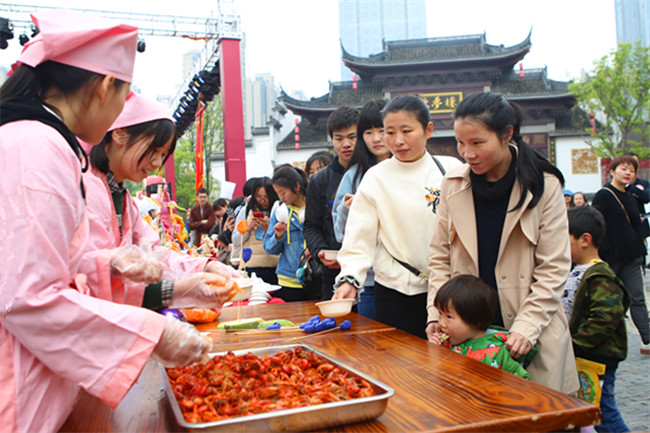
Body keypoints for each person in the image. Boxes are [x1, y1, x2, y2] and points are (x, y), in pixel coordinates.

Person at [0, 10, 211, 432]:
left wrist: (105, 265)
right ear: (103, 87)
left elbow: (32, 268)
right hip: (19, 393)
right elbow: (25, 297)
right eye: (123, 94)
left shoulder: (45, 143)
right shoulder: (34, 146)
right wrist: (152, 335)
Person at [425, 92, 578, 393]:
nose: (467, 153)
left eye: (477, 143)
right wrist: (436, 314)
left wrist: (527, 326)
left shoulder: (544, 185)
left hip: (526, 332)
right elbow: (440, 258)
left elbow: (554, 268)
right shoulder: (454, 185)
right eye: (460, 143)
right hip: (467, 332)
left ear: (507, 135)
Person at [80, 91, 238, 309]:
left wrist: (204, 267)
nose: (156, 162)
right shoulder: (85, 187)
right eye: (154, 150)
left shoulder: (123, 198)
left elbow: (155, 253)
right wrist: (177, 291)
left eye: (163, 155)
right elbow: (91, 274)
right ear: (119, 135)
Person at [332, 94, 461, 338]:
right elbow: (359, 237)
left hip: (447, 290)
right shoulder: (376, 177)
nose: (398, 141)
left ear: (428, 130)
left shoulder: (451, 170)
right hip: (394, 290)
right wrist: (349, 279)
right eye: (389, 132)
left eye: (406, 130)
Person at [565, 206, 631, 432]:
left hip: (596, 360)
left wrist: (575, 345)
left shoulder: (599, 274)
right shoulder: (575, 269)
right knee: (590, 412)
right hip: (583, 358)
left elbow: (606, 317)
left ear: (585, 240)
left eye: (565, 237)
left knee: (604, 414)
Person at [332, 99, 391, 319]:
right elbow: (340, 234)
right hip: (369, 280)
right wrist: (349, 210)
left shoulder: (409, 171)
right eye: (368, 132)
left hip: (410, 280)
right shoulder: (354, 176)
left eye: (383, 130)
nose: (376, 138)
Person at [591, 155, 650, 354]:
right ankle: (607, 341)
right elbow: (597, 223)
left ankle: (647, 340)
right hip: (611, 258)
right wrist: (603, 251)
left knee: (638, 299)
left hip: (632, 256)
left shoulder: (631, 194)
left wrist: (640, 247)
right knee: (611, 302)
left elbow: (637, 223)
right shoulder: (603, 195)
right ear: (612, 171)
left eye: (632, 171)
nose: (628, 173)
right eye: (624, 169)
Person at [304, 105, 360, 300]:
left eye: (352, 137)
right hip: (332, 275)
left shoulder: (373, 174)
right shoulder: (319, 181)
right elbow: (311, 225)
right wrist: (320, 252)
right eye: (339, 138)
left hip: (370, 275)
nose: (346, 144)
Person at [430, 275, 531, 380]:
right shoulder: (447, 344)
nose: (441, 323)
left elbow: (522, 382)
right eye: (440, 313)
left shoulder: (498, 353)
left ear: (475, 320)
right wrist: (435, 352)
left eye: (449, 316)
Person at [264, 165, 318, 301]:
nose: (281, 197)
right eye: (277, 193)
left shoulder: (315, 206)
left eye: (283, 192)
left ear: (297, 186)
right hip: (288, 279)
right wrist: (278, 236)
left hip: (316, 276)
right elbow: (269, 249)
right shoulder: (280, 211)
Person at [231, 177, 280, 284]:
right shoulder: (246, 211)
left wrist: (269, 228)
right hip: (251, 266)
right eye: (258, 196)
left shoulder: (279, 210)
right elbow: (235, 241)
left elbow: (283, 240)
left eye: (266, 197)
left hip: (275, 267)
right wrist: (248, 228)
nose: (262, 201)